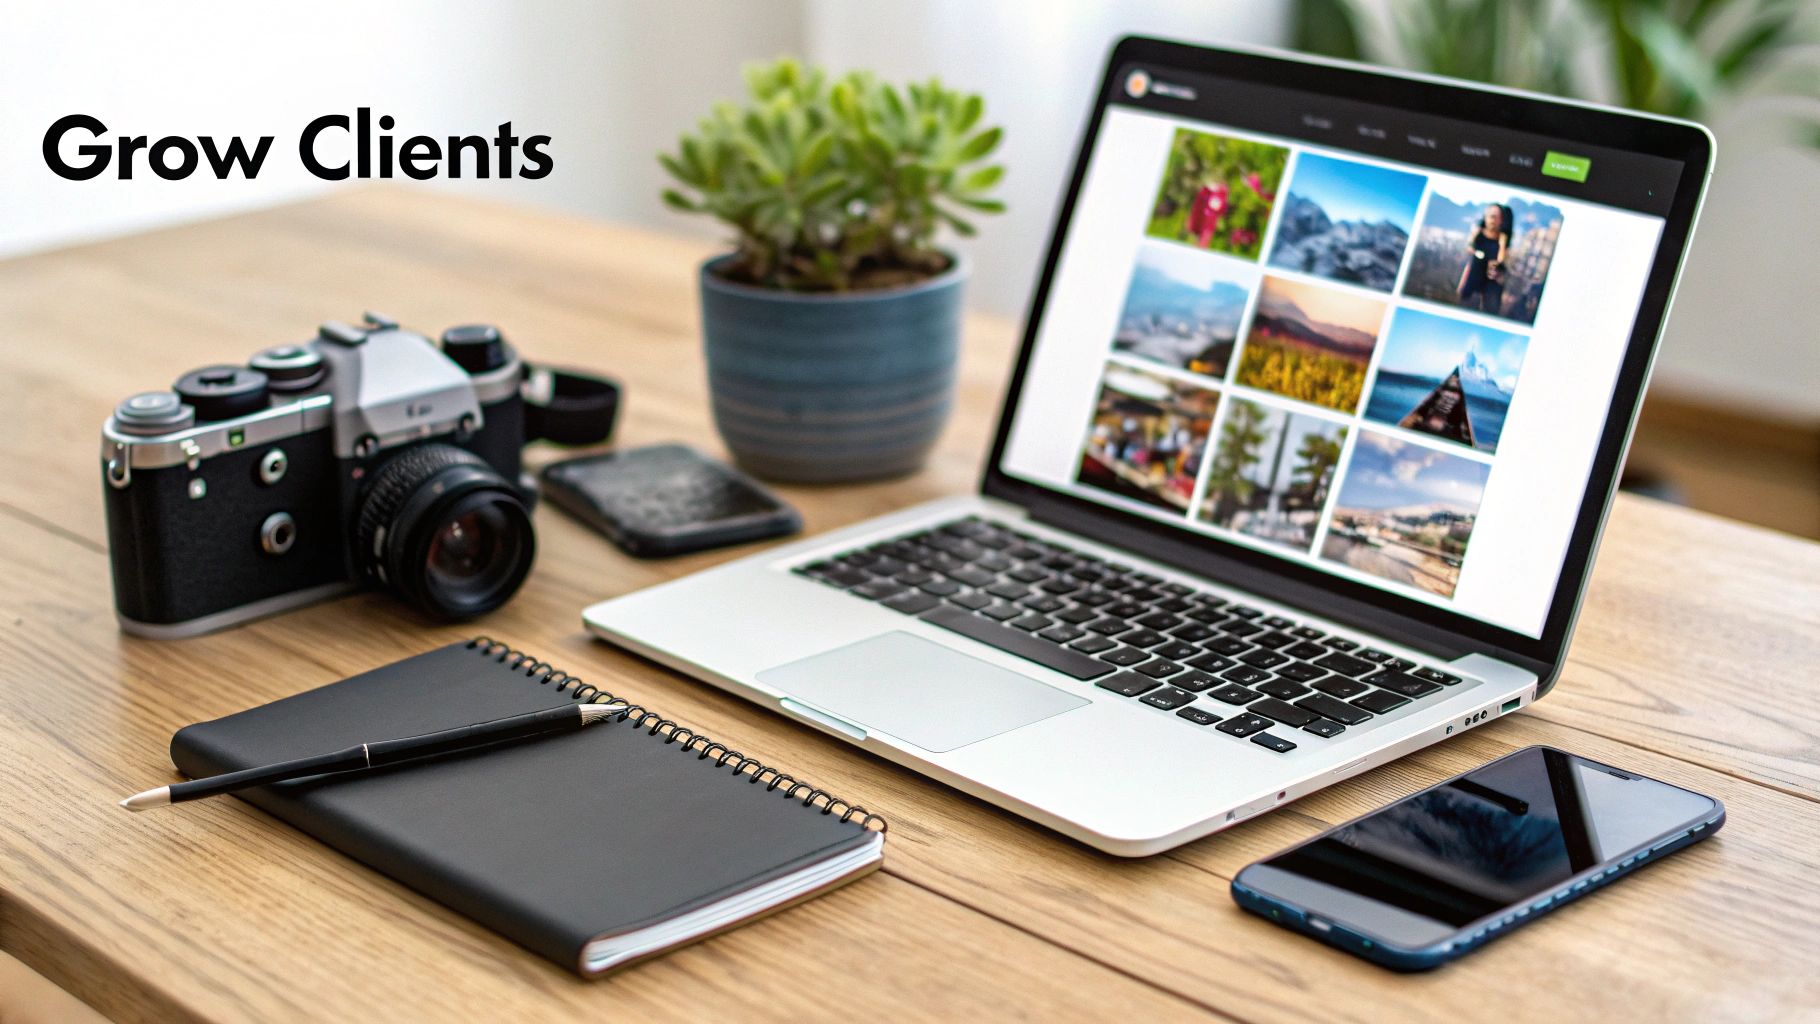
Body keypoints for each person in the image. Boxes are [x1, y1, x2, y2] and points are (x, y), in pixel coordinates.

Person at [1457, 203, 1512, 315]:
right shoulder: (1477, 231)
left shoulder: (1502, 237)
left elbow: (1501, 255)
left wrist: (1497, 264)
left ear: (1501, 220)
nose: (1492, 219)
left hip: (1491, 275)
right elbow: (1469, 247)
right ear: (1485, 217)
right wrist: (1476, 253)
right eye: (1490, 215)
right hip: (1475, 271)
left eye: (1496, 216)